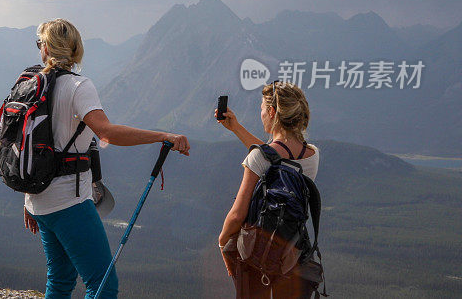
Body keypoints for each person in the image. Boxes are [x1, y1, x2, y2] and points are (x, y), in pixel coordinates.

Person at [23, 18, 190, 299]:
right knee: (103, 284)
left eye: (40, 43)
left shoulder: (32, 85)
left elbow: (26, 144)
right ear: (75, 49)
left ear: (46, 49)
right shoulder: (78, 86)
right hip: (68, 201)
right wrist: (163, 136)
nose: (39, 48)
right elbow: (107, 132)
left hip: (38, 200)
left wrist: (29, 195)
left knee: (61, 279)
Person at [215, 81, 319, 299]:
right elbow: (275, 158)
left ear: (272, 112)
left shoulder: (258, 157)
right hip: (292, 251)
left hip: (255, 254)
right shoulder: (312, 155)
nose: (261, 113)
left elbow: (237, 214)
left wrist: (223, 241)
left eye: (262, 108)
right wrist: (236, 128)